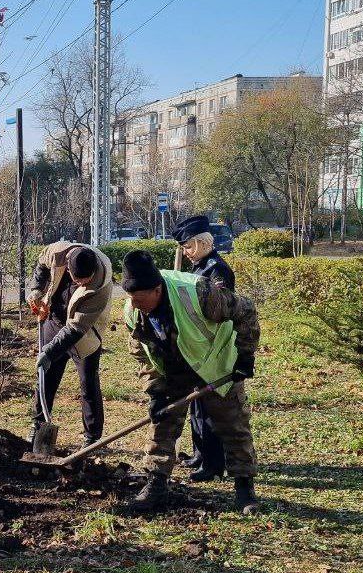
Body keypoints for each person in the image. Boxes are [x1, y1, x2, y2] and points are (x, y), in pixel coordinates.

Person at [121, 250, 260, 514]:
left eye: (141, 300)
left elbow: (246, 311)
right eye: (132, 300)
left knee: (233, 424)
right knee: (162, 424)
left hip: (216, 363)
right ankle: (156, 484)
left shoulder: (197, 293)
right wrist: (155, 392)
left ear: (157, 289)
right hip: (173, 368)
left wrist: (244, 357)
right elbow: (142, 353)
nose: (136, 305)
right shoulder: (132, 311)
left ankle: (244, 488)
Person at [28, 242, 113, 450]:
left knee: (88, 383)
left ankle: (93, 437)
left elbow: (76, 328)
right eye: (79, 280)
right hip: (55, 318)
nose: (84, 283)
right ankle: (38, 424)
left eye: (87, 280)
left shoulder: (101, 283)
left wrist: (49, 351)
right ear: (68, 267)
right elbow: (41, 264)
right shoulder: (57, 253)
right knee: (46, 377)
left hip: (84, 330)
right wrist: (37, 289)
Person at [172, 216, 236, 483]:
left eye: (188, 247)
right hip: (195, 346)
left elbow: (217, 311)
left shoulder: (217, 270)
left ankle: (213, 463)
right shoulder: (198, 267)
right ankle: (200, 453)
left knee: (209, 408)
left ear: (201, 243)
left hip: (211, 347)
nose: (185, 253)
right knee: (196, 405)